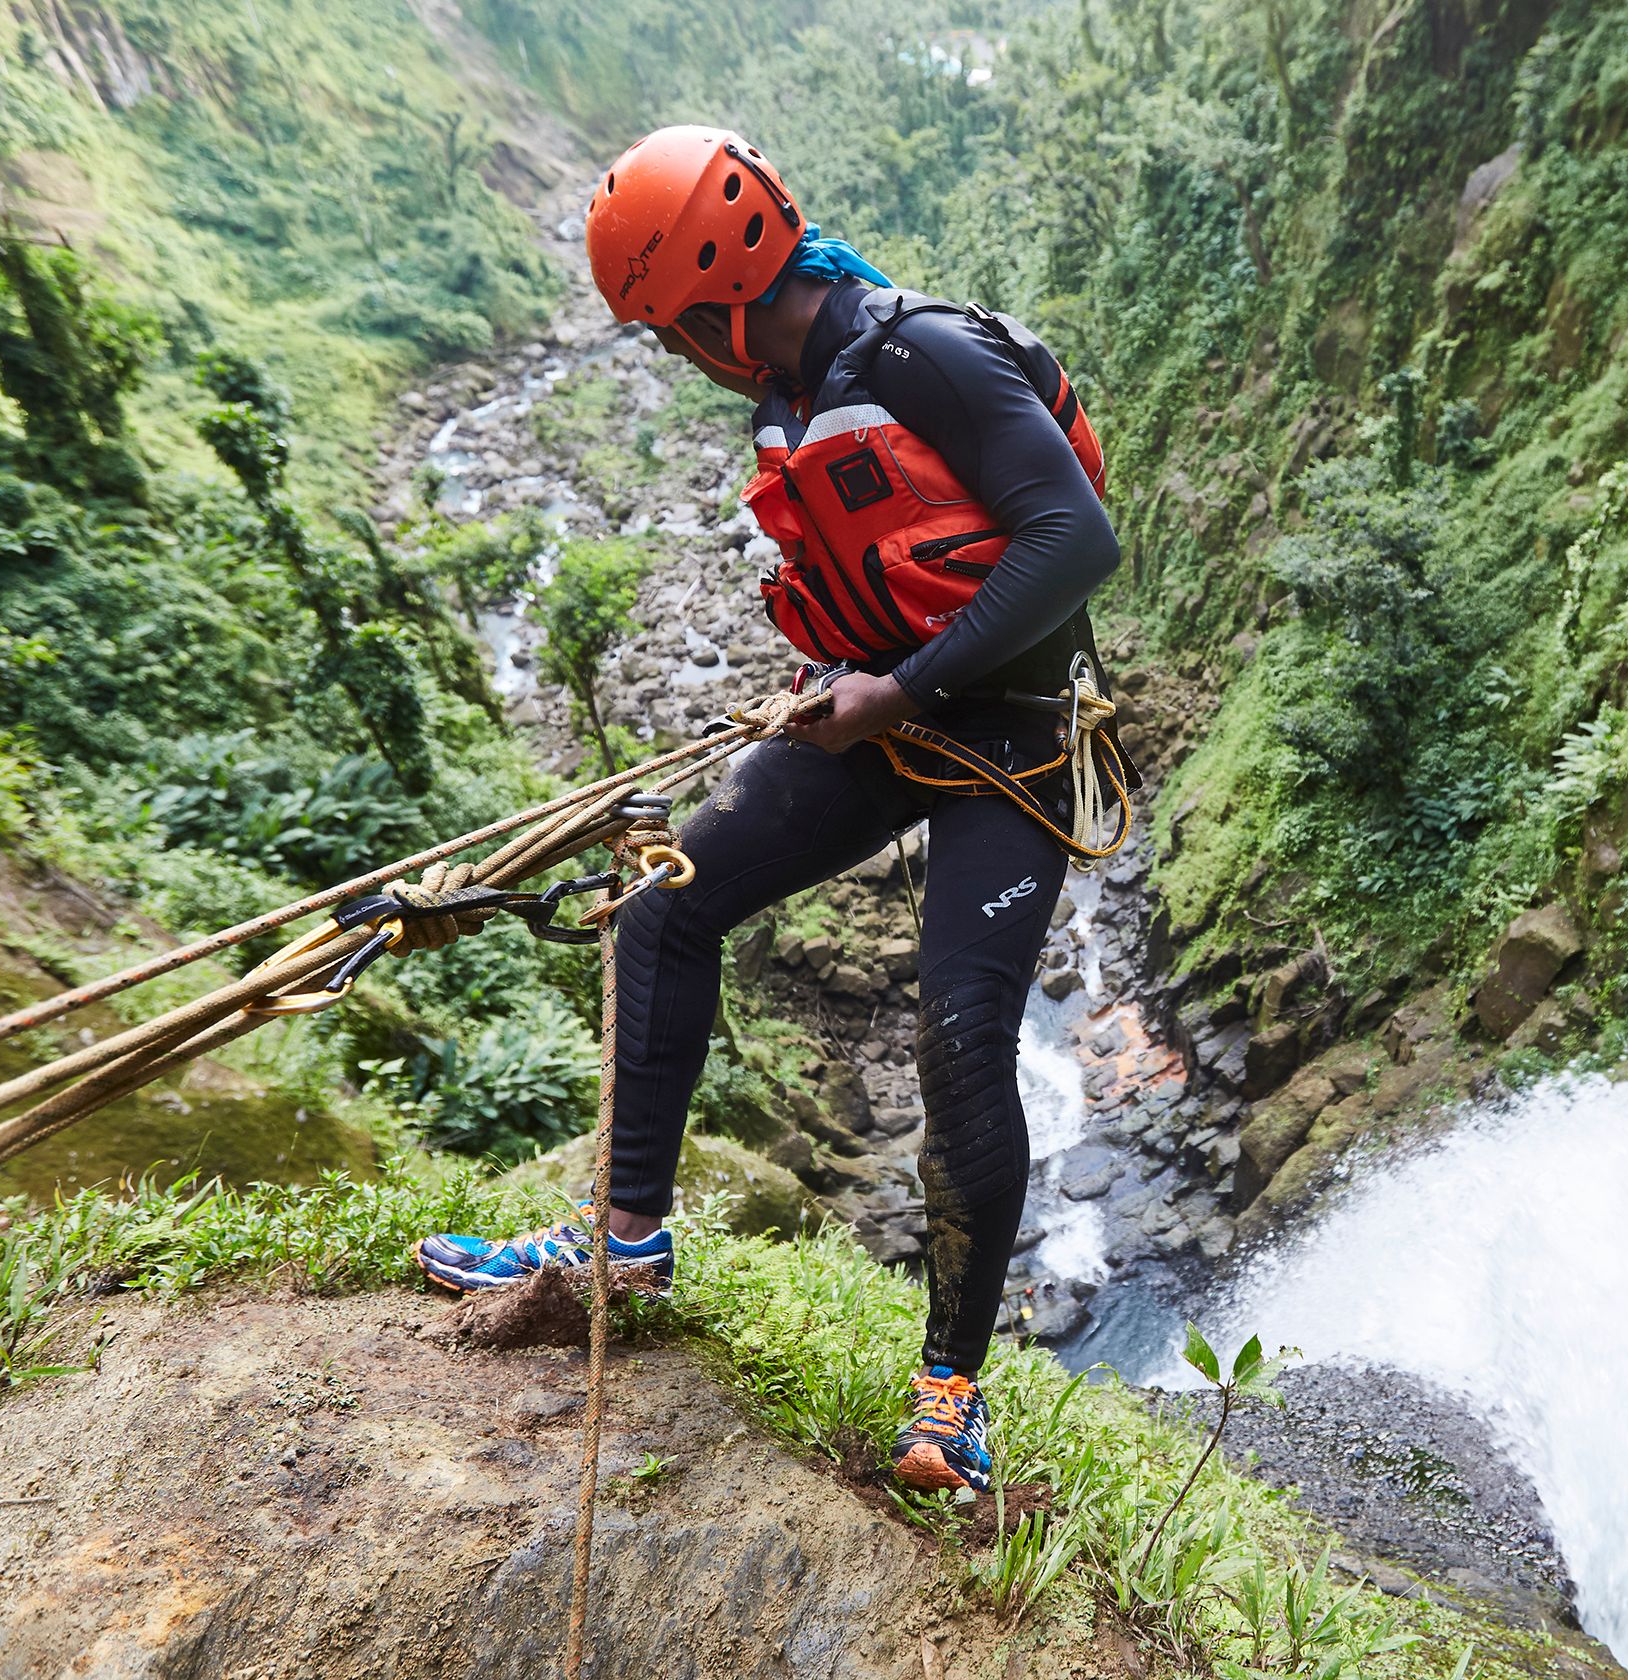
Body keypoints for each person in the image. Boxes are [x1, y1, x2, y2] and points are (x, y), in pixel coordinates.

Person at [413, 127, 1119, 1494]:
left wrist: (903, 687)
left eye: (671, 328)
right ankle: (624, 1244)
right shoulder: (785, 395)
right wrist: (837, 686)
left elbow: (1075, 538)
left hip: (1012, 733)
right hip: (880, 714)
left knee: (965, 1035)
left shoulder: (926, 356)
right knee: (670, 901)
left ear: (722, 288)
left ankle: (950, 1401)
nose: (673, 355)